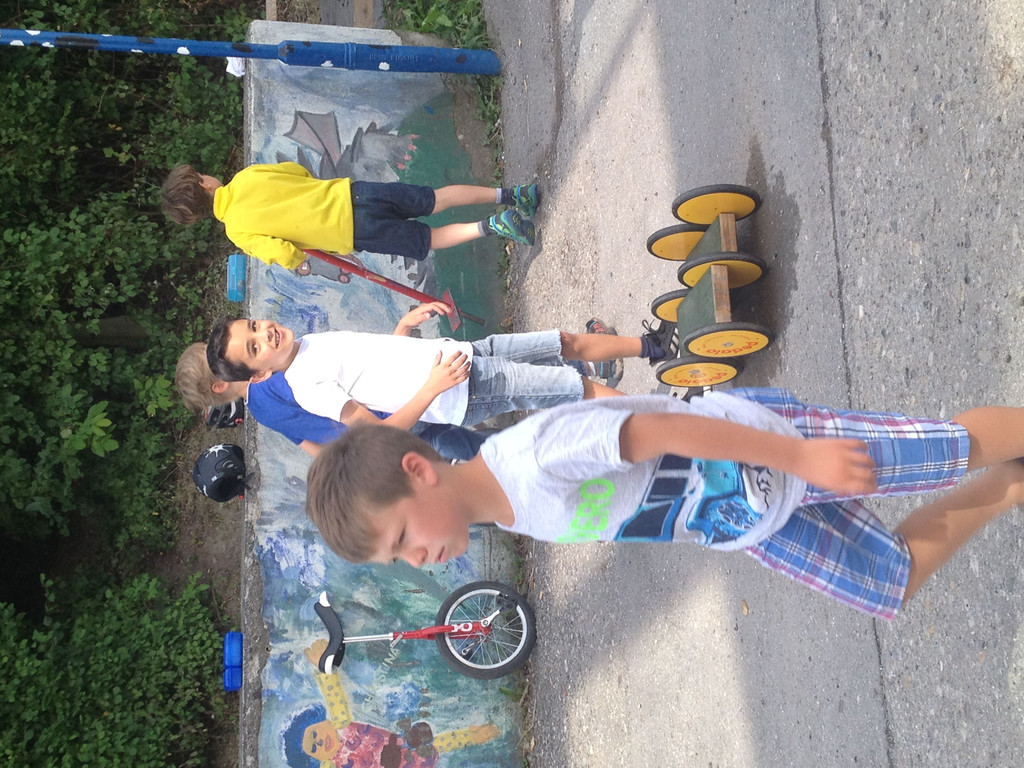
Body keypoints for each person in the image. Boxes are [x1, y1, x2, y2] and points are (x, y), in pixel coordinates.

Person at [304, 387, 1024, 620]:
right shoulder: (510, 509)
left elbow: (659, 430)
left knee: (942, 452)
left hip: (773, 448)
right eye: (399, 560)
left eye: (402, 539)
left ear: (418, 471)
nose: (417, 560)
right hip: (750, 521)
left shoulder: (531, 461)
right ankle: (1012, 485)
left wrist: (802, 459)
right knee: (886, 580)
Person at [204, 310, 675, 431]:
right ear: (259, 374)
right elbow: (379, 433)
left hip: (461, 353)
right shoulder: (306, 388)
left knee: (562, 343)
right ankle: (673, 422)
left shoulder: (307, 344)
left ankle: (654, 346)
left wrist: (401, 328)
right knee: (576, 387)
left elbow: (374, 366)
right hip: (462, 390)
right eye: (254, 347)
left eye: (254, 326)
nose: (265, 334)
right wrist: (433, 387)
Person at [175, 303, 492, 461]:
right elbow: (355, 389)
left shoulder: (261, 412)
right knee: (464, 418)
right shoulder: (274, 378)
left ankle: (508, 454)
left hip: (386, 435)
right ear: (220, 384)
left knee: (456, 445)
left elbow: (316, 451)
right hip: (398, 410)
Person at [160, 162, 538, 269]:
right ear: (203, 182)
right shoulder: (245, 177)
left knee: (429, 239)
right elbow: (296, 171)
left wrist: (300, 260)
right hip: (352, 193)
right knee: (434, 199)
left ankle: (494, 225)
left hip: (352, 232)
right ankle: (511, 194)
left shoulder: (237, 232)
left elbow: (283, 253)